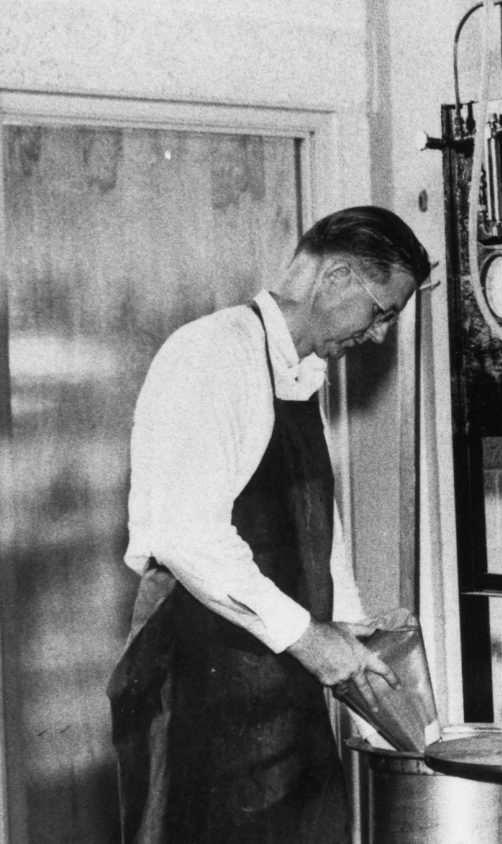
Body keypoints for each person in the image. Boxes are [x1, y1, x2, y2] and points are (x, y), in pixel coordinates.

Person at [108, 206, 433, 843]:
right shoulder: (213, 354)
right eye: (381, 313)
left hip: (282, 692)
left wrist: (355, 644)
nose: (377, 337)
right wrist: (312, 638)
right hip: (198, 695)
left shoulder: (299, 378)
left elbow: (322, 538)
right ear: (335, 278)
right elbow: (185, 533)